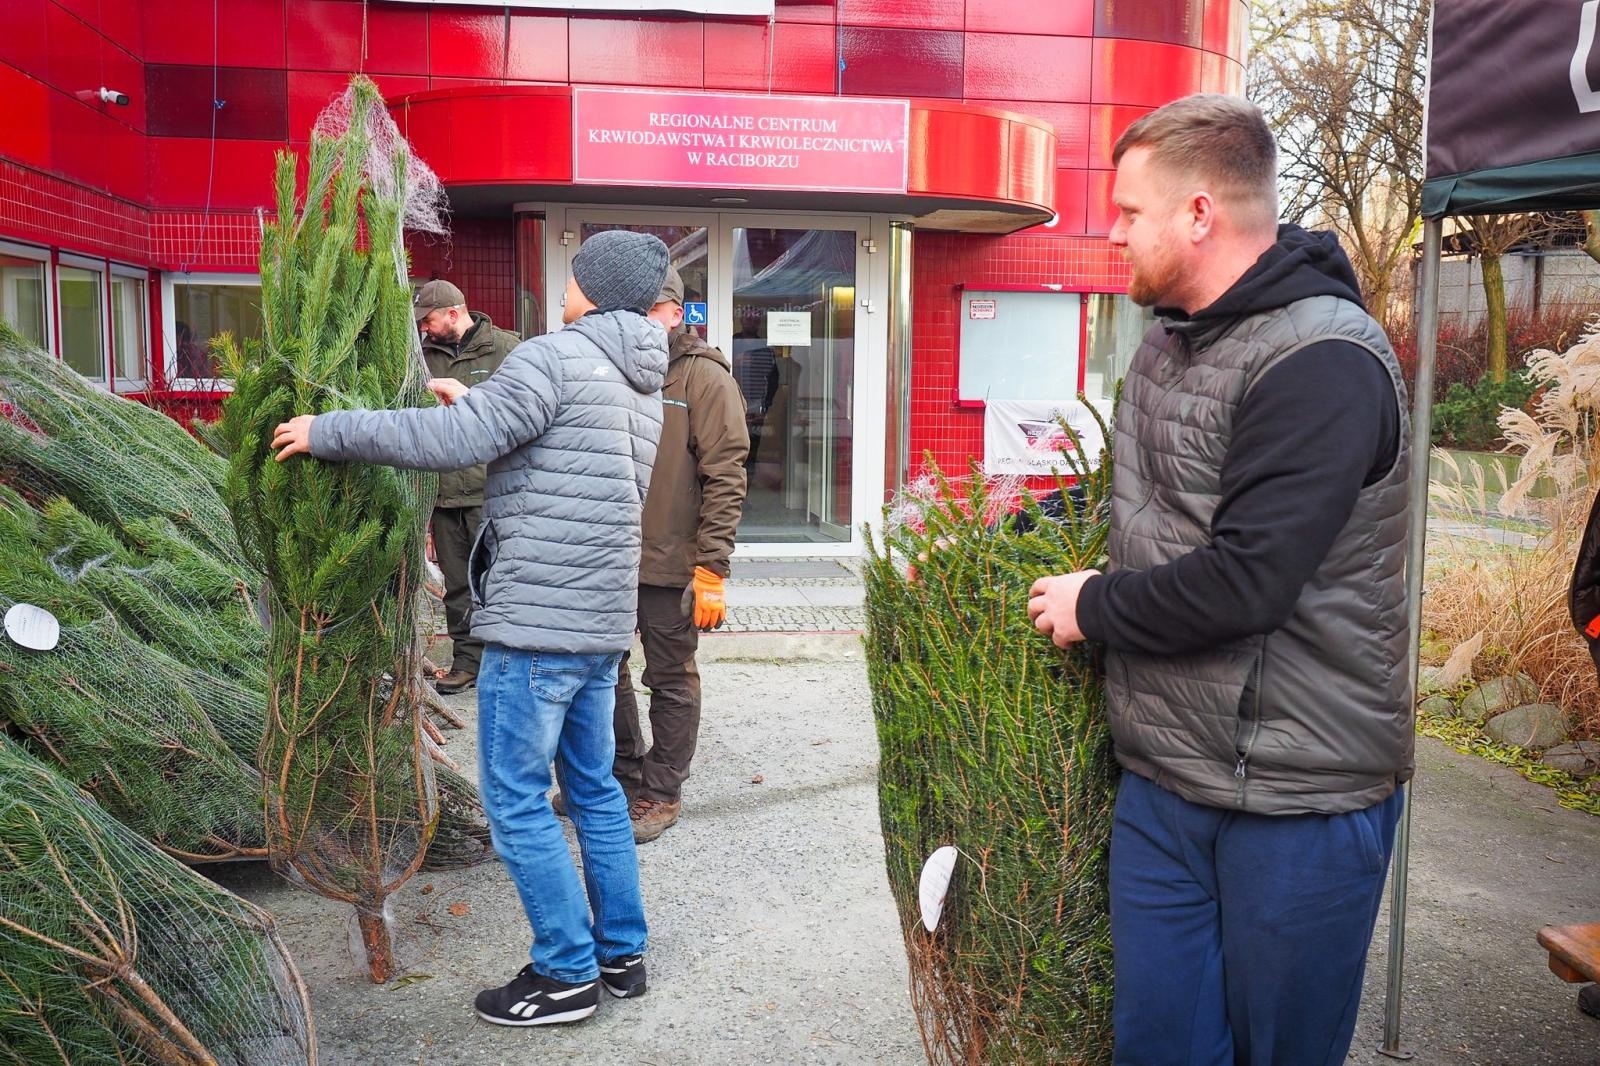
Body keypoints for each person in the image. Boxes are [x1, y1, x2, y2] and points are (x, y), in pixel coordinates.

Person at [1026, 94, 1411, 1064]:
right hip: (1169, 781)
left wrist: (1092, 606)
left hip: (1296, 797)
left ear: (1199, 213)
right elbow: (1153, 494)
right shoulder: (1168, 341)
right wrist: (1015, 526)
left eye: (1127, 212)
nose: (1111, 233)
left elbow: (1248, 580)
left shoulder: (1323, 360)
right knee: (1157, 1044)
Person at [271, 229, 671, 1029]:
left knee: (517, 799)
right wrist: (479, 401)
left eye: (572, 276)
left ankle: (564, 975)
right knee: (593, 791)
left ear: (590, 285)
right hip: (596, 626)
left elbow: (458, 445)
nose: (563, 288)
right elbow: (545, 440)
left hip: (534, 628)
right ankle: (620, 954)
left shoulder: (552, 356)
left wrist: (329, 431)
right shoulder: (639, 376)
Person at [610, 266, 749, 843]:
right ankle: (619, 774)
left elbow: (726, 475)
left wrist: (712, 567)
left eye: (648, 312)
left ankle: (662, 792)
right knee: (605, 672)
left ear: (673, 312)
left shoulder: (703, 378)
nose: (638, 324)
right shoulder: (613, 370)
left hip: (670, 564)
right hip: (611, 556)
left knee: (668, 678)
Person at [413, 279, 521, 694]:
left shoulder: (507, 349)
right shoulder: (421, 359)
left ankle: (507, 661)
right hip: (443, 493)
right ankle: (467, 661)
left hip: (492, 492)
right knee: (458, 583)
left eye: (431, 319)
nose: (425, 328)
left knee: (500, 580)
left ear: (455, 313)